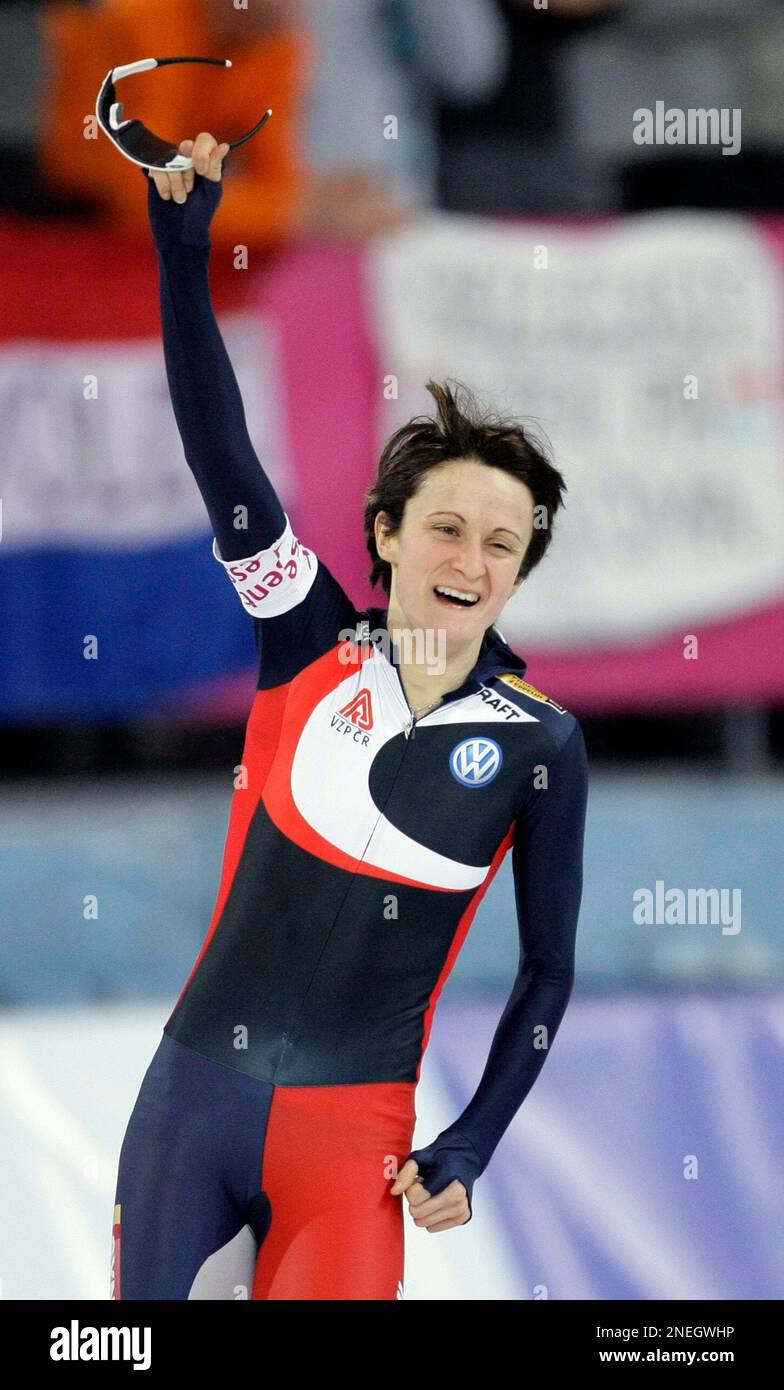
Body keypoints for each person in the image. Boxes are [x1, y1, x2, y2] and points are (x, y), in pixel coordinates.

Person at [110, 134, 589, 1301]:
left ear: (520, 571)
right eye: (444, 527)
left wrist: (468, 1143)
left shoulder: (541, 743)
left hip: (351, 1151)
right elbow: (220, 449)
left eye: (500, 542)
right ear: (383, 534)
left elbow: (545, 974)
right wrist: (184, 251)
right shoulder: (307, 637)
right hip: (187, 1113)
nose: (468, 560)